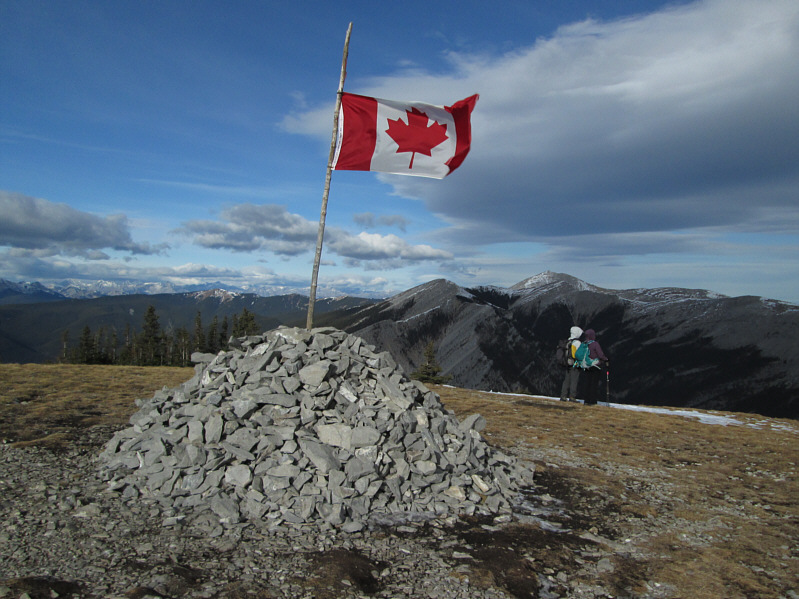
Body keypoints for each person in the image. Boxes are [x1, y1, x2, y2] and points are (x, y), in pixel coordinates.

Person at [582, 328, 609, 405]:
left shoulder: (584, 344)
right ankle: (592, 401)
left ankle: (586, 400)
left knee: (587, 383)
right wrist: (606, 359)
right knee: (594, 384)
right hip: (595, 366)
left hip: (586, 366)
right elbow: (600, 355)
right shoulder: (595, 344)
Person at [558, 326, 583, 402]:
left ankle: (563, 396)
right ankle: (572, 397)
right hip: (575, 363)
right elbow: (579, 354)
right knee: (574, 380)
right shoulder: (577, 343)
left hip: (567, 363)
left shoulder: (568, 341)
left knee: (567, 380)